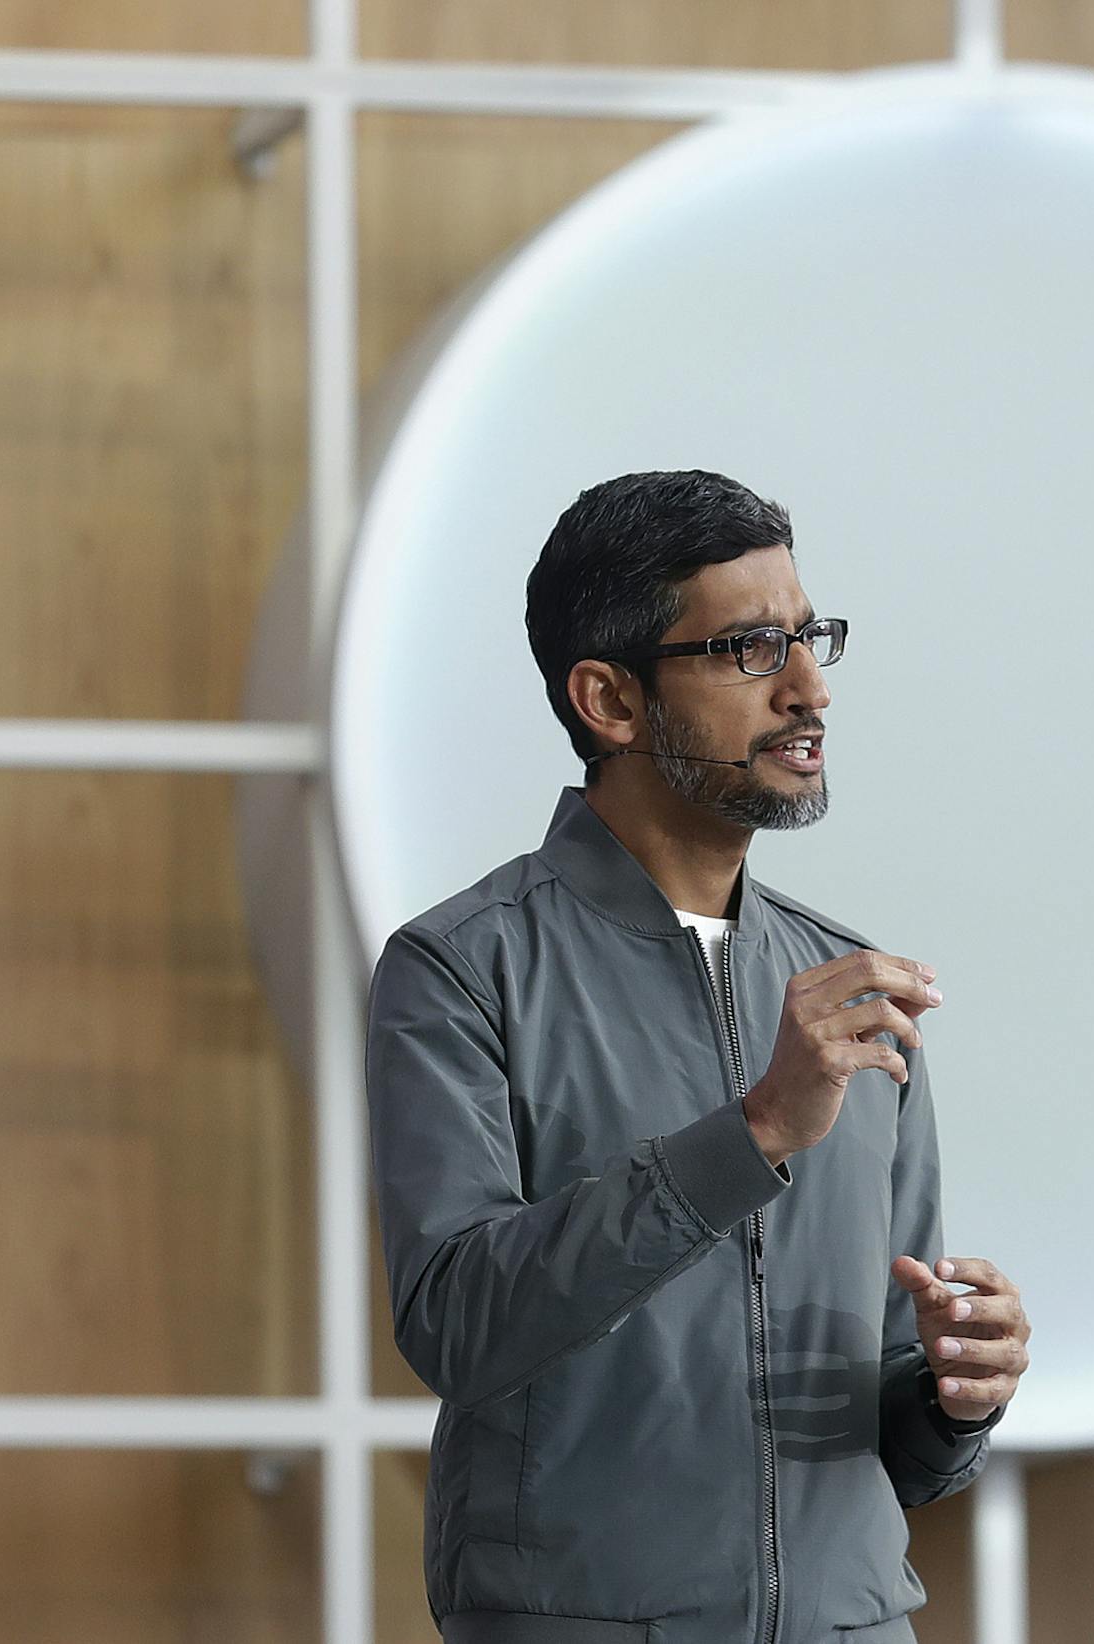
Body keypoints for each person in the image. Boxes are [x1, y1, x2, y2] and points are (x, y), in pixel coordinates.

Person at [365, 469, 1031, 1644]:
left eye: (811, 636)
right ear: (610, 701)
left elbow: (905, 1454)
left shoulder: (851, 989)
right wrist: (757, 1131)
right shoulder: (461, 969)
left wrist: (952, 1395)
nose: (808, 688)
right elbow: (458, 1326)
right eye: (748, 648)